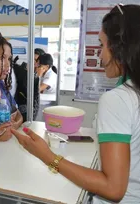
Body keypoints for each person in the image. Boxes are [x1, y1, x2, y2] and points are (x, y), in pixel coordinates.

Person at [12, 4, 140, 203]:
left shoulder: (119, 98)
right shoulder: (132, 91)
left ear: (119, 47)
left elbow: (113, 188)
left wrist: (47, 156)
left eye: (101, 45)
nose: (100, 56)